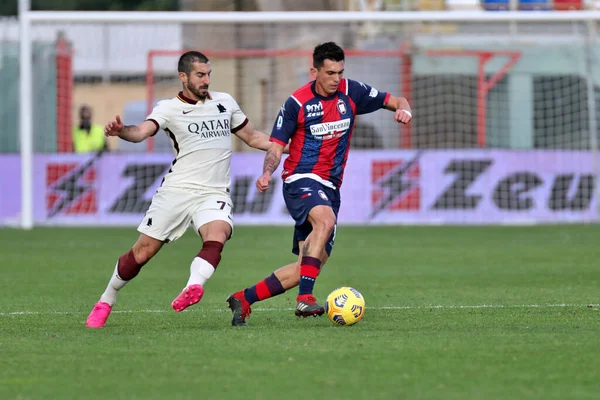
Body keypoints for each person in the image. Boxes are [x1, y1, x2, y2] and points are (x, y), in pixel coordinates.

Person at [86, 51, 279, 328]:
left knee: (218, 234)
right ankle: (105, 300)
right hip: (177, 190)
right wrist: (121, 131)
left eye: (209, 75)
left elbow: (252, 137)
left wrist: (283, 144)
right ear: (183, 77)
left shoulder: (225, 102)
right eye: (200, 75)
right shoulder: (169, 108)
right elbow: (141, 132)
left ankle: (193, 287)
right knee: (142, 253)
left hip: (214, 192)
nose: (206, 80)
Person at [226, 42, 412, 326]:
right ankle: (305, 298)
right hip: (300, 178)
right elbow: (276, 147)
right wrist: (267, 174)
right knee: (325, 221)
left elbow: (396, 100)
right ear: (314, 71)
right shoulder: (296, 103)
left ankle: (244, 298)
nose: (336, 78)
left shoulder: (352, 92)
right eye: (330, 72)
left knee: (308, 266)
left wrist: (404, 110)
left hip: (330, 187)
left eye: (340, 71)